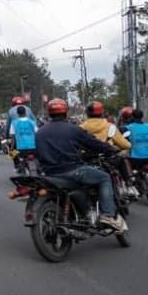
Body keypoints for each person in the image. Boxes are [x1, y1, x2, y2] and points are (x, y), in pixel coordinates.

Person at [35, 98, 125, 231]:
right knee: (104, 177)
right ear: (66, 111)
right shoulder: (73, 129)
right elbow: (93, 143)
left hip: (50, 174)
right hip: (73, 170)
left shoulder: (40, 132)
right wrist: (110, 149)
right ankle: (108, 215)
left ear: (49, 112)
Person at [10, 106, 38, 171]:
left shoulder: (14, 123)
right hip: (32, 148)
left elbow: (13, 138)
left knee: (11, 155)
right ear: (25, 112)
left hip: (20, 149)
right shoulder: (32, 122)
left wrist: (11, 148)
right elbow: (37, 134)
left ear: (17, 113)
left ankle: (16, 167)